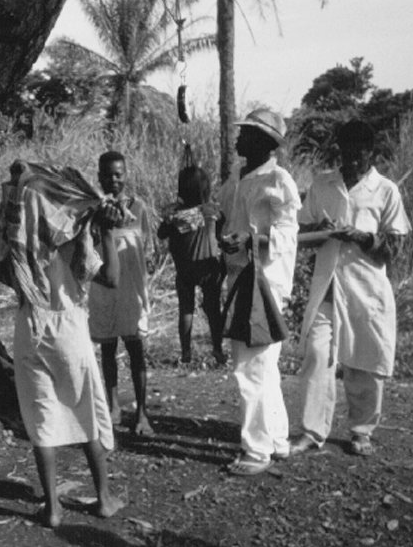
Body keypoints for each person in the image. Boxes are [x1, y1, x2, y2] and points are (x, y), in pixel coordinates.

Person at [0, 161, 125, 528]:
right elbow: (111, 278)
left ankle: (52, 507)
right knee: (87, 413)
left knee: (41, 418)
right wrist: (107, 232)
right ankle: (104, 498)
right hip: (68, 328)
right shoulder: (72, 239)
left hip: (28, 326)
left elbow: (0, 268)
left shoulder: (19, 241)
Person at [290, 120, 411, 457]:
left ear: (371, 153)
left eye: (359, 154)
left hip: (365, 288)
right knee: (317, 355)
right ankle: (312, 431)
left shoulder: (385, 190)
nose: (353, 160)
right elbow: (300, 234)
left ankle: (361, 431)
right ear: (339, 150)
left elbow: (395, 247)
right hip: (327, 286)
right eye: (347, 152)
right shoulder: (323, 184)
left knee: (365, 361)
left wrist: (361, 237)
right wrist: (322, 229)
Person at [216, 108, 300, 476]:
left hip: (263, 283)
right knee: (264, 366)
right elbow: (224, 211)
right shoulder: (238, 176)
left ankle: (256, 449)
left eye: (247, 134)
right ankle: (277, 439)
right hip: (239, 278)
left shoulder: (279, 180)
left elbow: (288, 235)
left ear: (265, 143)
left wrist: (251, 240)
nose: (239, 138)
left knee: (251, 368)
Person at [87, 151, 154, 437]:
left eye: (118, 174)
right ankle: (112, 406)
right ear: (99, 177)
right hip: (104, 286)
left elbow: (145, 246)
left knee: (136, 348)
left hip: (132, 287)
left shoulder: (138, 207)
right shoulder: (93, 208)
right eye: (107, 175)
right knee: (108, 347)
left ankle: (142, 413)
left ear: (126, 175)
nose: (113, 180)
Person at [158, 163, 226, 366]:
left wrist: (169, 217)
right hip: (209, 268)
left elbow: (161, 234)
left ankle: (186, 353)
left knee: (186, 310)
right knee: (213, 310)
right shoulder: (212, 211)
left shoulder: (176, 216)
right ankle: (218, 349)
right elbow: (222, 229)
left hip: (185, 270)